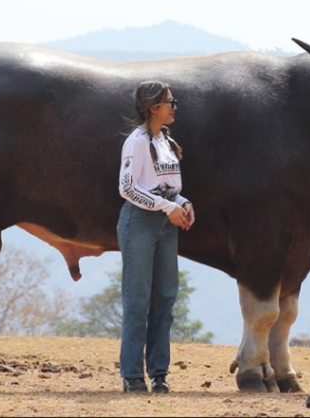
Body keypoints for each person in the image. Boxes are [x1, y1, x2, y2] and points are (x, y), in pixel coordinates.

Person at [116, 80, 195, 393]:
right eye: (169, 102)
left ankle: (159, 374)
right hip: (139, 224)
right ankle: (132, 375)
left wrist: (183, 204)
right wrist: (166, 206)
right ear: (152, 107)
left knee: (165, 299)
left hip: (165, 224)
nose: (174, 107)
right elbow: (128, 187)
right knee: (137, 300)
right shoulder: (137, 141)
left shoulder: (164, 140)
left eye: (174, 101)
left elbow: (166, 186)